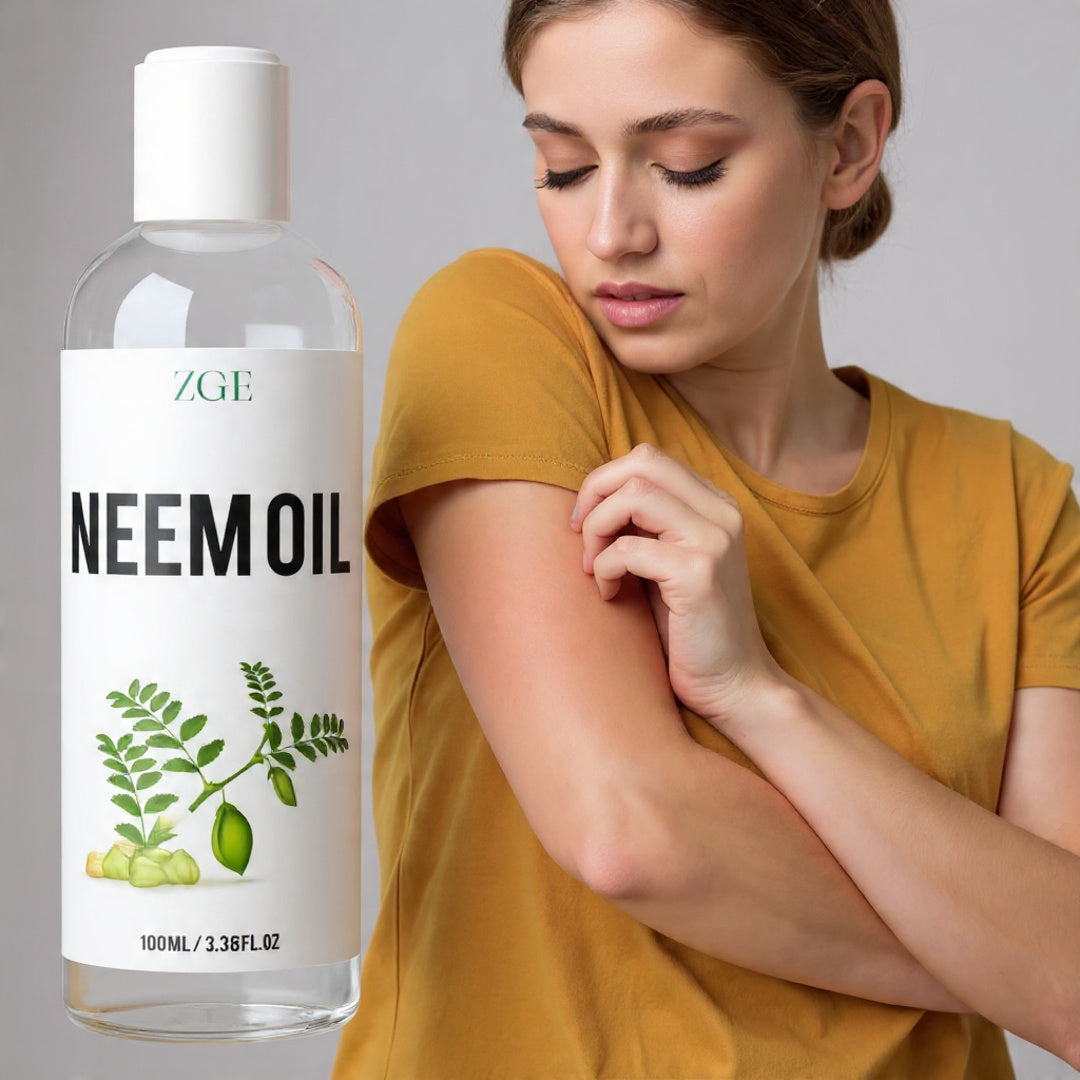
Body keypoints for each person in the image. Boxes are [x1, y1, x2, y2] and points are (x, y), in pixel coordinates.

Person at [333, 1, 1080, 1076]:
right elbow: (628, 832)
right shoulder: (495, 338)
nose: (611, 233)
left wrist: (759, 696)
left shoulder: (1012, 498)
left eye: (685, 165)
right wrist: (1011, 953)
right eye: (562, 165)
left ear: (852, 146)